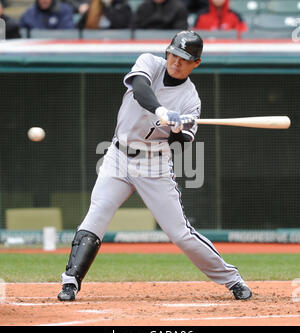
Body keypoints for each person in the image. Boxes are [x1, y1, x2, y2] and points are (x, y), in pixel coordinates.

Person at [57, 30, 252, 302]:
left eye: (186, 58)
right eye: (175, 54)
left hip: (154, 164)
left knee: (180, 234)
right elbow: (139, 88)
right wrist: (161, 111)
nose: (177, 61)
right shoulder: (149, 63)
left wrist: (175, 128)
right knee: (97, 214)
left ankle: (232, 279)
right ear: (167, 51)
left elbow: (182, 141)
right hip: (117, 156)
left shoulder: (190, 100)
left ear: (196, 63)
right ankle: (70, 282)